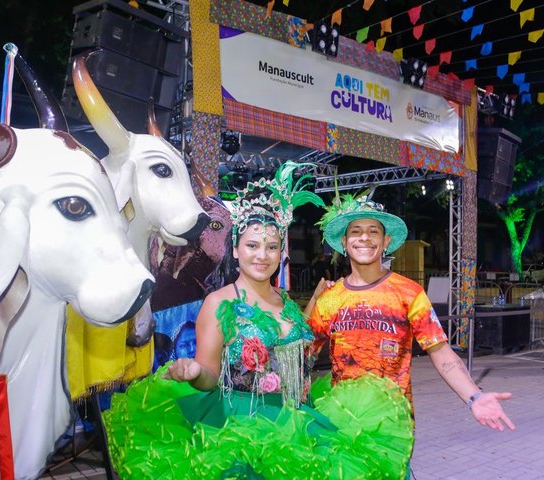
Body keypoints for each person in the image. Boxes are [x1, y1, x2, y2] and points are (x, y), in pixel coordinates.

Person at [103, 164, 415, 479]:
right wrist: (196, 372)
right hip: (244, 432)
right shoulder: (219, 302)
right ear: (236, 250)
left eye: (271, 247)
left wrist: (320, 305)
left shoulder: (288, 303)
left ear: (280, 253)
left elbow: (298, 358)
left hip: (298, 427)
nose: (262, 255)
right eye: (252, 245)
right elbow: (210, 375)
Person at [308, 193, 515, 438]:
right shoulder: (330, 298)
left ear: (385, 241)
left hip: (393, 425)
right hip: (340, 424)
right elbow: (303, 353)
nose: (364, 237)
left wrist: (474, 397)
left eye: (373, 231)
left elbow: (441, 353)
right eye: (356, 231)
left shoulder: (410, 292)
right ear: (344, 242)